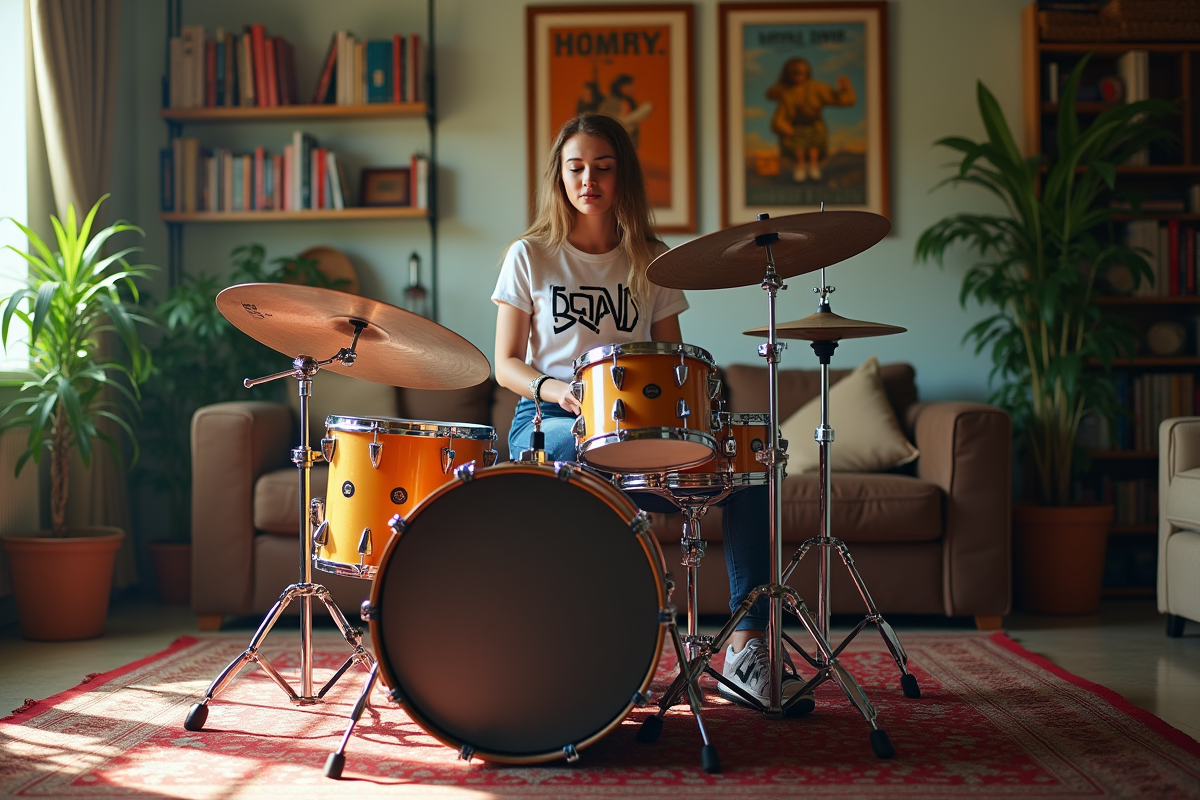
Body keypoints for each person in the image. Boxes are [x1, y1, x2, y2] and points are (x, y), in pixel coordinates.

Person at [491, 112, 812, 712]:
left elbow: (674, 357)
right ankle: (583, 646)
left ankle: (747, 650)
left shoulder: (652, 259)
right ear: (559, 177)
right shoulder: (530, 255)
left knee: (745, 470)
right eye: (576, 167)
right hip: (550, 421)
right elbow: (504, 362)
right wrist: (557, 389)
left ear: (623, 178)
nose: (589, 179)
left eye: (603, 168)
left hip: (640, 429)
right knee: (568, 449)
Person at [766, 57, 856, 183]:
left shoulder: (817, 88)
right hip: (796, 128)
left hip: (815, 125)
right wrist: (782, 126)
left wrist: (845, 89)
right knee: (798, 146)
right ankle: (800, 166)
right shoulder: (786, 93)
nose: (798, 73)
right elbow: (779, 116)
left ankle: (814, 166)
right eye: (794, 71)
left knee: (815, 144)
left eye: (801, 70)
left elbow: (842, 100)